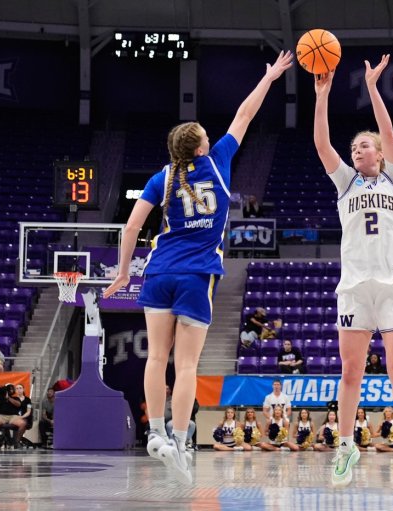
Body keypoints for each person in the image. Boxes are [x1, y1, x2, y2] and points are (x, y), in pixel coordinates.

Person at [102, 50, 293, 485]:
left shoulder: (161, 178)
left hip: (158, 270)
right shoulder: (219, 161)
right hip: (196, 274)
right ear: (202, 145)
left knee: (157, 358)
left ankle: (154, 433)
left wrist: (122, 273)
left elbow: (130, 228)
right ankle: (182, 440)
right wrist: (269, 77)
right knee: (186, 366)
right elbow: (245, 114)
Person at [313, 55, 393, 488]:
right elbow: (322, 146)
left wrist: (373, 88)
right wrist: (322, 98)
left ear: (382, 153)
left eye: (364, 145)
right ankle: (345, 444)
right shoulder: (347, 184)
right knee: (350, 372)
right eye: (354, 146)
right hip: (355, 287)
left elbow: (389, 132)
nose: (358, 150)